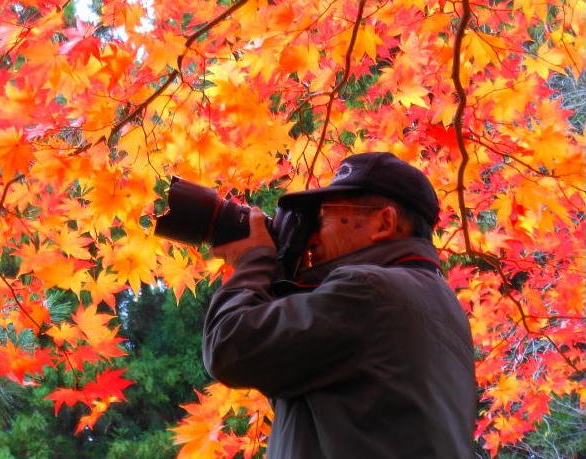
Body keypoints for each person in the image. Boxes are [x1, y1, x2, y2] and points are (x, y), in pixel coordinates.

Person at [202, 152, 476, 458]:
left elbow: (230, 346)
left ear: (384, 222)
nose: (312, 240)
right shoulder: (437, 305)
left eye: (321, 220)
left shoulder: (370, 293)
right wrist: (282, 273)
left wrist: (252, 261)